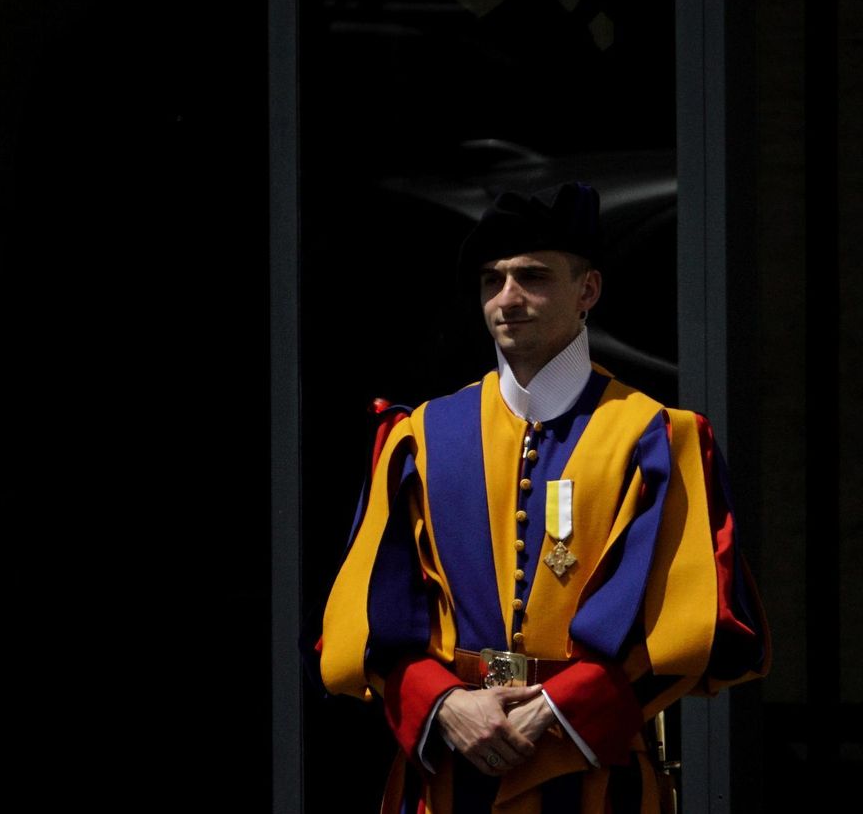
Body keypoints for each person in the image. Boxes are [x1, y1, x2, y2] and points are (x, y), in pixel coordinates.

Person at [316, 182, 770, 813]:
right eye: (491, 281)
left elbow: (696, 625)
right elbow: (367, 623)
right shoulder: (418, 436)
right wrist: (444, 704)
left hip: (596, 781)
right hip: (450, 775)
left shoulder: (657, 437)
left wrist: (558, 710)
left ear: (588, 291)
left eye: (532, 277)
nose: (507, 299)